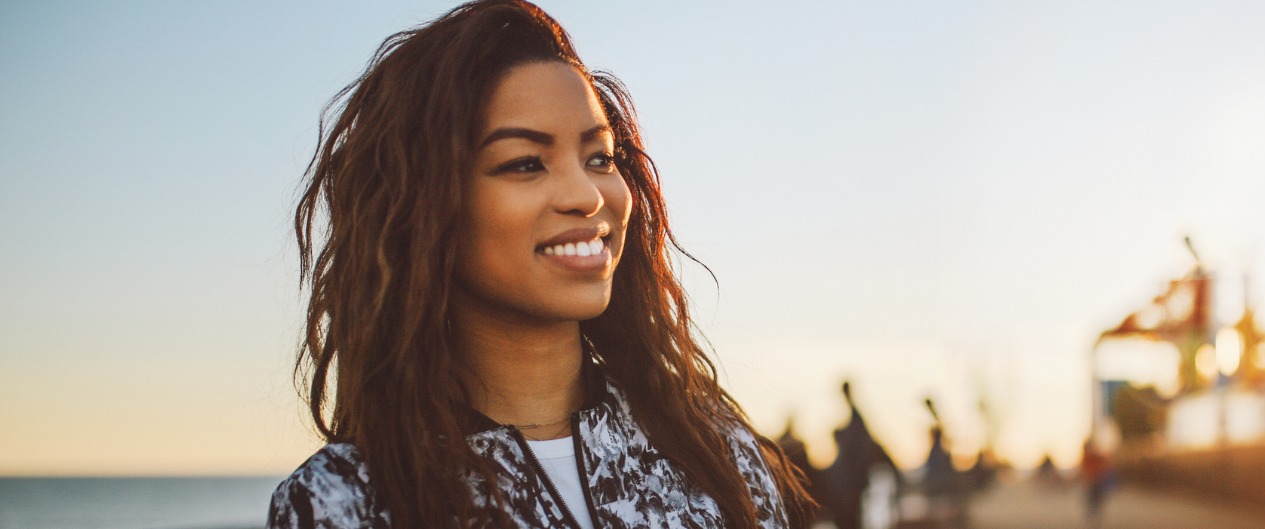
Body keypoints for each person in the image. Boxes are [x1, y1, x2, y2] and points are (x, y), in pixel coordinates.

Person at [266, 2, 812, 528]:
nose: (587, 195)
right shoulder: (344, 502)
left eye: (599, 158)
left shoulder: (719, 455)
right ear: (422, 207)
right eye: (526, 163)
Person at [826, 380, 899, 529]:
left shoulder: (856, 428)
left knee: (853, 519)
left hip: (853, 486)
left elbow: (859, 433)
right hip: (849, 488)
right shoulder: (853, 428)